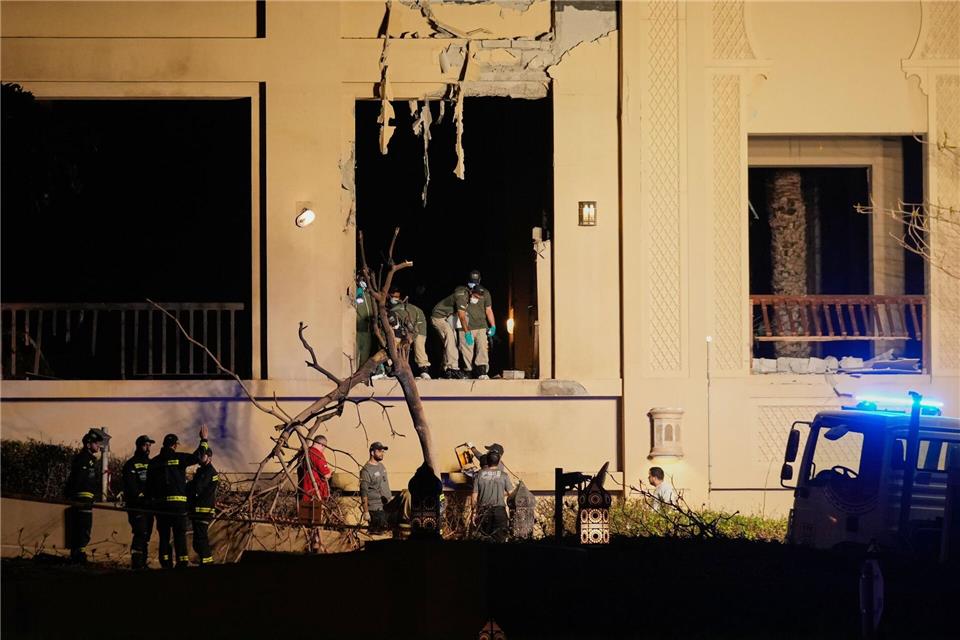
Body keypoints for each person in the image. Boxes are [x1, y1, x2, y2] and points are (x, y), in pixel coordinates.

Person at [147, 425, 210, 568]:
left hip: (161, 507)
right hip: (178, 507)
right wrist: (204, 439)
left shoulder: (154, 462)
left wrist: (151, 503)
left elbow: (149, 485)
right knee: (179, 536)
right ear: (175, 445)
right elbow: (198, 456)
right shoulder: (179, 458)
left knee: (164, 537)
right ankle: (181, 563)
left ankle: (165, 563)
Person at [64, 428, 105, 563]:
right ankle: (78, 555)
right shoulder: (84, 459)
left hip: (87, 498)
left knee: (84, 527)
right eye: (96, 443)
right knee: (83, 527)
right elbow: (78, 479)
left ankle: (78, 553)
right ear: (88, 444)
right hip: (83, 499)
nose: (98, 446)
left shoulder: (90, 460)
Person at [122, 434, 155, 569]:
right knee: (140, 532)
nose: (148, 448)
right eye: (145, 445)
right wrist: (140, 497)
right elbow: (130, 486)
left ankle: (143, 562)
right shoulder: (131, 464)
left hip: (150, 506)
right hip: (137, 506)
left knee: (146, 535)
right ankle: (137, 563)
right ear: (139, 446)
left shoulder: (151, 464)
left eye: (149, 445)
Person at [388, 286, 431, 379]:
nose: (394, 299)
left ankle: (424, 369)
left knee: (419, 345)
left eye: (396, 297)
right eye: (392, 296)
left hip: (419, 325)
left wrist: (411, 337)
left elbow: (412, 327)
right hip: (405, 329)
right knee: (396, 343)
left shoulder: (406, 310)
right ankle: (393, 368)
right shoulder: (392, 311)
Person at [430, 283, 470, 379]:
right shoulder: (461, 296)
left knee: (451, 343)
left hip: (446, 318)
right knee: (450, 340)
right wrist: (467, 333)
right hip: (438, 317)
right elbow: (461, 317)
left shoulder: (466, 297)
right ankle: (453, 368)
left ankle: (445, 369)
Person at [471, 450, 513, 542]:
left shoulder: (479, 475)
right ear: (498, 461)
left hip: (483, 511)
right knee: (500, 539)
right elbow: (511, 494)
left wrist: (474, 513)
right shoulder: (504, 475)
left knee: (484, 538)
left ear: (488, 461)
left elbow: (474, 495)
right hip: (499, 511)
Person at [186, 446, 218, 566]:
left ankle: (207, 564)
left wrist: (187, 485)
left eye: (202, 455)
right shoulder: (203, 471)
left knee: (201, 540)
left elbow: (198, 488)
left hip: (203, 511)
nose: (199, 457)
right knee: (197, 541)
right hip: (198, 510)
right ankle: (206, 562)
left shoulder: (208, 472)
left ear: (209, 457)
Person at [458, 285, 493, 379]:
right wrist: (466, 332)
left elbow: (489, 310)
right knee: (466, 349)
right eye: (476, 297)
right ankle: (467, 371)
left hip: (480, 326)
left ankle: (481, 370)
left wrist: (493, 326)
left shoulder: (485, 294)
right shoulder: (463, 295)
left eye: (479, 298)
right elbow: (461, 316)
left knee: (482, 347)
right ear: (471, 292)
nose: (477, 299)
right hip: (466, 326)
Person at [360, 442, 392, 533]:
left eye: (383, 451)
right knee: (379, 536)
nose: (382, 453)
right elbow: (363, 492)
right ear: (372, 453)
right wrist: (366, 512)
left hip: (386, 506)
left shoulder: (381, 466)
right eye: (379, 451)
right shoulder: (366, 470)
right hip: (375, 509)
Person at [300, 435, 333, 511]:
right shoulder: (318, 455)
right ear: (322, 445)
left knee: (305, 517)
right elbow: (326, 475)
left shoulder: (306, 453)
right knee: (317, 518)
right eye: (324, 447)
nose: (323, 450)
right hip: (316, 493)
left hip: (305, 491)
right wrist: (330, 471)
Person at [355, 272, 375, 366]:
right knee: (355, 354)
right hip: (358, 329)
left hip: (368, 330)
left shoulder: (369, 294)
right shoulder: (357, 292)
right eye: (362, 279)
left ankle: (362, 374)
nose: (364, 282)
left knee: (365, 355)